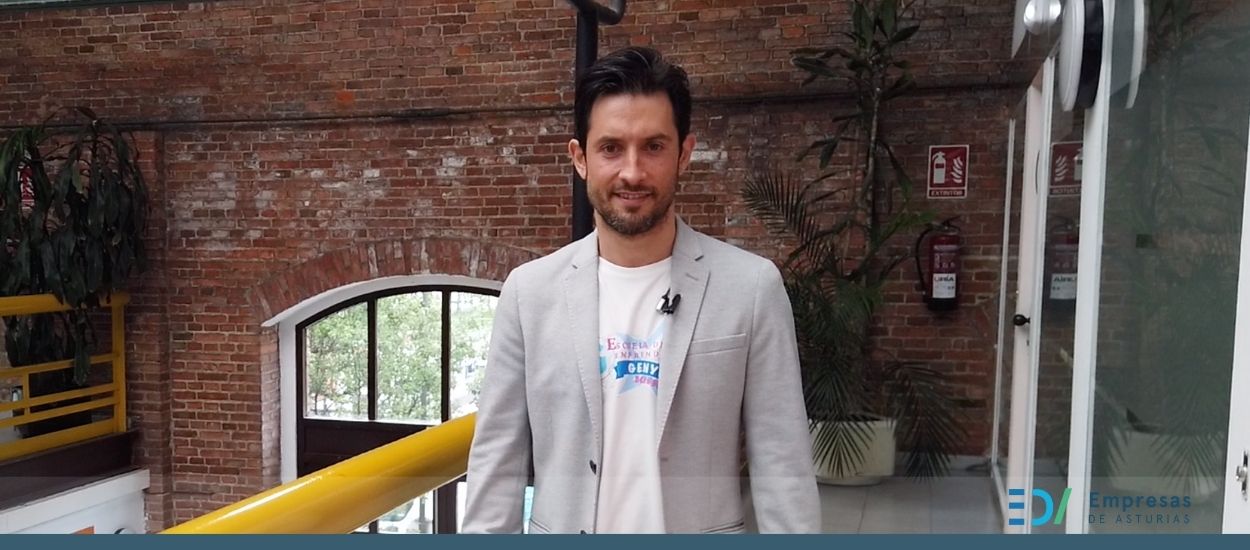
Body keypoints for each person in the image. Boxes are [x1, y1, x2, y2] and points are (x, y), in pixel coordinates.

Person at [461, 46, 820, 534]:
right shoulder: (530, 294)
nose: (632, 172)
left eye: (653, 147)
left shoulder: (751, 288)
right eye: (611, 148)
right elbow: (497, 463)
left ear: (683, 154)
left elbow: (783, 464)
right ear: (580, 158)